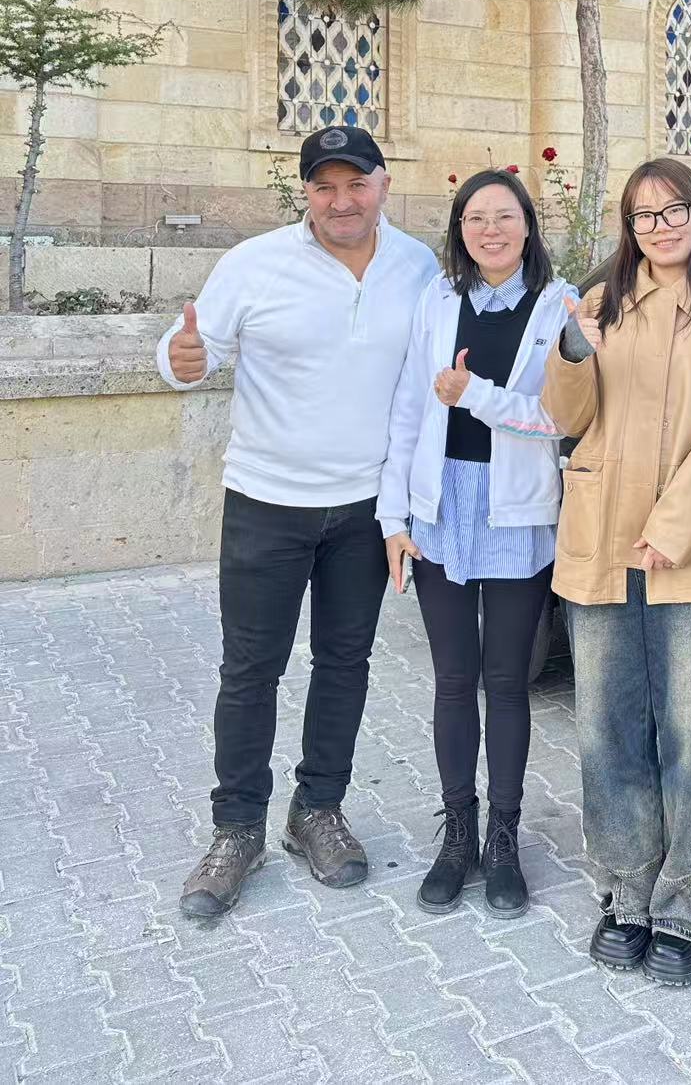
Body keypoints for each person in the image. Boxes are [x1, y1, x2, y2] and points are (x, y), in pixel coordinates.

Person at [158, 127, 438, 918]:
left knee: (344, 661)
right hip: (267, 502)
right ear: (306, 192)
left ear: (383, 185)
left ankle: (317, 809)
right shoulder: (254, 263)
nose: (341, 201)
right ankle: (237, 828)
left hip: (364, 509)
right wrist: (180, 359)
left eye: (356, 184)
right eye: (325, 186)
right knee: (251, 668)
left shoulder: (417, 266)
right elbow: (189, 347)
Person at [542, 158, 691, 987]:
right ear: (628, 227)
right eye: (644, 215)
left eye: (675, 210)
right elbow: (565, 416)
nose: (661, 226)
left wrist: (674, 527)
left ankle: (690, 906)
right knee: (607, 729)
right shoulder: (600, 302)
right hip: (602, 538)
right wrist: (573, 348)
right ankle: (625, 891)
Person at [378, 169, 577, 918]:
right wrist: (393, 518)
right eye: (474, 218)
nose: (490, 230)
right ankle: (457, 833)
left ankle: (504, 837)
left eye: (504, 216)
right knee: (453, 680)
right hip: (439, 508)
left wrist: (477, 397)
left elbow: (560, 416)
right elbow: (407, 409)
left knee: (507, 681)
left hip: (516, 512)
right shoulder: (438, 300)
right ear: (459, 230)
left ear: (528, 225)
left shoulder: (560, 306)